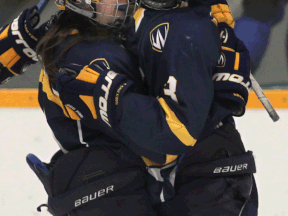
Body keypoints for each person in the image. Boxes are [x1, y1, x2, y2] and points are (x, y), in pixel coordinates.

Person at [0, 0, 257, 215]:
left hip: (110, 188)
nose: (123, 1)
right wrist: (217, 102)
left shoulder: (100, 36)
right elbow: (163, 145)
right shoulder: (90, 54)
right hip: (106, 191)